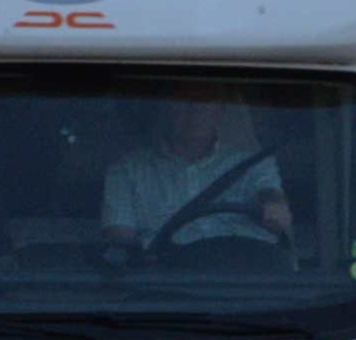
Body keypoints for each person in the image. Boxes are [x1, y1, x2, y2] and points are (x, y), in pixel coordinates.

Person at [101, 90, 289, 257]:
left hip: (244, 281)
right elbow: (121, 247)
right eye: (183, 98)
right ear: (166, 108)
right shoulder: (127, 171)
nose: (195, 109)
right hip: (165, 284)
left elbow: (273, 208)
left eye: (205, 98)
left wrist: (271, 206)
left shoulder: (255, 164)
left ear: (220, 110)